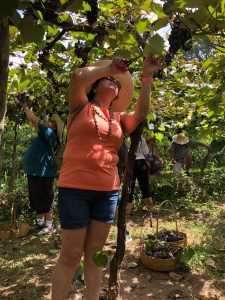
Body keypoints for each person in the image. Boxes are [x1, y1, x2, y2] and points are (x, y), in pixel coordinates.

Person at [51, 55, 164, 300]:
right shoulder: (80, 106)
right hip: (74, 189)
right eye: (108, 79)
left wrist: (147, 76)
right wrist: (110, 67)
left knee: (95, 254)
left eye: (117, 82)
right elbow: (75, 76)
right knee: (70, 256)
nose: (114, 82)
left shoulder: (118, 118)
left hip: (107, 192)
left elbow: (141, 112)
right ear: (94, 86)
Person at [20, 100, 63, 235]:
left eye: (51, 122)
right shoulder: (44, 134)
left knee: (46, 198)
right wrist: (29, 108)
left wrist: (25, 107)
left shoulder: (50, 134)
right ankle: (40, 224)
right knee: (36, 197)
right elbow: (35, 121)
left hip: (43, 173)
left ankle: (49, 225)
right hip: (35, 172)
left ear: (54, 127)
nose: (49, 122)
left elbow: (34, 121)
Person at [126, 136, 154, 219]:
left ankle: (127, 214)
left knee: (129, 188)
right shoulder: (141, 137)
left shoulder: (125, 136)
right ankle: (150, 212)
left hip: (130, 162)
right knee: (145, 187)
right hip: (141, 162)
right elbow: (146, 152)